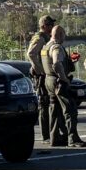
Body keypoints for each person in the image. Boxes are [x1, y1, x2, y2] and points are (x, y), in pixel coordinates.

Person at [43, 24, 86, 147]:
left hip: (48, 80)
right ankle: (73, 138)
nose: (64, 38)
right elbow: (57, 63)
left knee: (54, 110)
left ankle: (55, 138)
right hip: (58, 82)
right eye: (64, 35)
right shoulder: (57, 47)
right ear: (60, 35)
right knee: (70, 109)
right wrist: (64, 79)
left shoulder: (45, 47)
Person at [26, 14, 56, 143]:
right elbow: (31, 54)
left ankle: (50, 133)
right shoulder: (39, 38)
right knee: (44, 105)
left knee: (48, 104)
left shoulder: (46, 38)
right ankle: (46, 135)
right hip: (42, 76)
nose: (52, 27)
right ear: (44, 26)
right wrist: (41, 70)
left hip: (47, 75)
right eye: (50, 25)